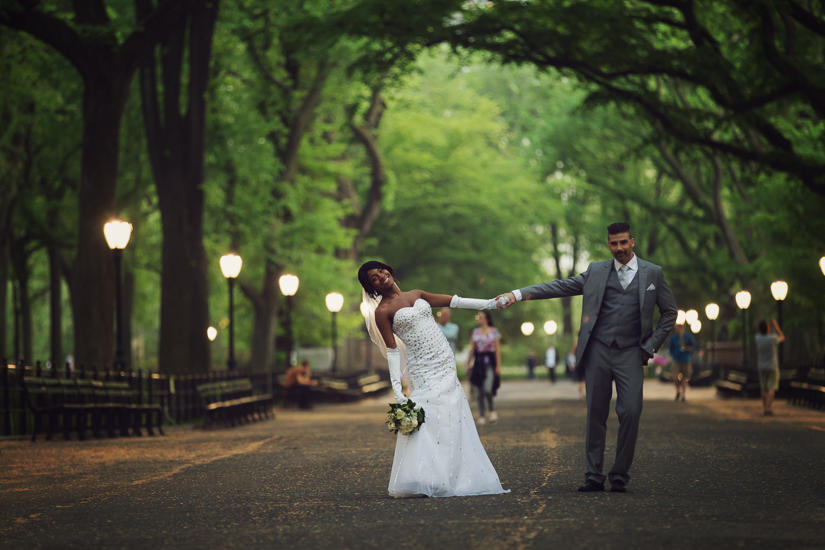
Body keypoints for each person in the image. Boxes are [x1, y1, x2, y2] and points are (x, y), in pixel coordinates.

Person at [497, 222, 677, 493]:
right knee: (595, 414)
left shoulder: (653, 273)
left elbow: (669, 313)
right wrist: (518, 294)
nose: (619, 248)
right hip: (598, 351)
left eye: (623, 243)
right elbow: (558, 286)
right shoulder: (596, 271)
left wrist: (650, 345)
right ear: (608, 244)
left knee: (630, 411)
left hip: (631, 352)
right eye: (614, 243)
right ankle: (594, 475)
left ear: (633, 242)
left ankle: (619, 473)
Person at [358, 260, 509, 498]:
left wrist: (490, 303)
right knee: (427, 414)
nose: (381, 276)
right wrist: (398, 392)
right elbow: (393, 352)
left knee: (451, 414)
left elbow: (455, 301)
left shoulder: (416, 294)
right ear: (372, 288)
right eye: (374, 279)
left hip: (444, 362)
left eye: (381, 271)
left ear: (389, 270)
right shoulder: (382, 312)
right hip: (422, 367)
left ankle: (452, 475)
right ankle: (423, 477)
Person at [467, 311, 502, 425]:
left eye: (480, 317)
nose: (478, 318)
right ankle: (482, 414)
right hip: (478, 362)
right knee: (479, 390)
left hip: (490, 361)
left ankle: (491, 410)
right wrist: (468, 363)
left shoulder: (494, 331)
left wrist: (498, 365)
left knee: (487, 388)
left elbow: (497, 350)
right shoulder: (475, 332)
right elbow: (472, 349)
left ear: (486, 318)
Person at [755, 318, 785, 416]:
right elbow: (782, 337)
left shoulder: (758, 338)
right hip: (772, 366)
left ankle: (765, 408)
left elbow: (766, 334)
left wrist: (769, 328)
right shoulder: (773, 338)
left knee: (764, 388)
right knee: (772, 388)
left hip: (761, 366)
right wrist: (775, 326)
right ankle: (768, 408)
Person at [668, 323, 697, 402]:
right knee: (675, 377)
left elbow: (694, 347)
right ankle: (678, 391)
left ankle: (683, 395)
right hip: (676, 359)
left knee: (685, 378)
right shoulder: (674, 338)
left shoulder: (688, 337)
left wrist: (688, 348)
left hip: (686, 359)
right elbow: (670, 349)